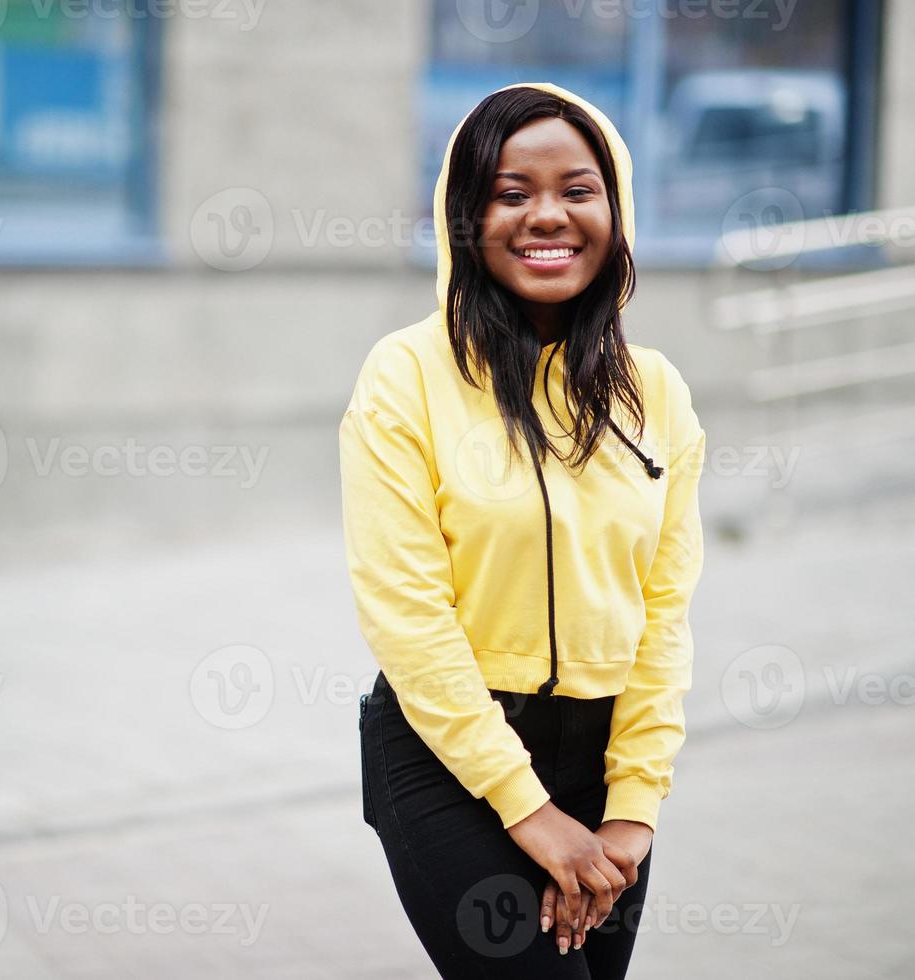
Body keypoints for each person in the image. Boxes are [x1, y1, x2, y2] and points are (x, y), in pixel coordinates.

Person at [339, 82, 707, 978]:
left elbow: (662, 614)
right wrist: (524, 807)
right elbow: (407, 612)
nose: (548, 216)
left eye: (578, 190)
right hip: (446, 758)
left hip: (602, 760)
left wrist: (634, 805)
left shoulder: (653, 390)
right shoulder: (406, 377)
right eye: (511, 193)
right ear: (466, 215)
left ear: (614, 210)